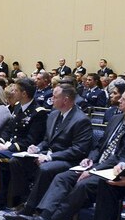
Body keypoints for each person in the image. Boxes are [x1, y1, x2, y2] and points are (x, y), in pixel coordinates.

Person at [9, 86, 125, 220]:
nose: (119, 100)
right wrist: (91, 159)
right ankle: (43, 217)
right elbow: (100, 145)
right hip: (95, 164)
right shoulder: (116, 118)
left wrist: (95, 167)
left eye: (124, 99)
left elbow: (122, 155)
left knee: (82, 184)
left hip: (113, 169)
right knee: (63, 177)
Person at [6, 84, 92, 212]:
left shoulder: (80, 120)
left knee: (45, 169)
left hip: (67, 160)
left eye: (55, 97)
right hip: (48, 154)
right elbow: (47, 140)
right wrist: (37, 148)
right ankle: (23, 200)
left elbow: (78, 150)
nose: (51, 99)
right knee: (16, 161)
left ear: (66, 100)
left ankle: (30, 208)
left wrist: (50, 157)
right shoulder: (53, 114)